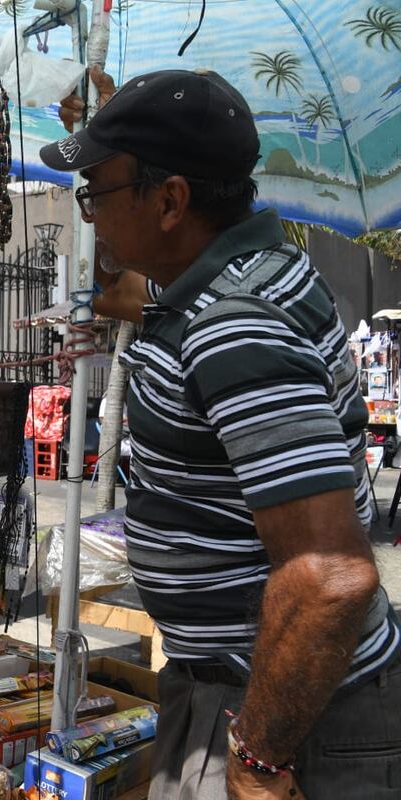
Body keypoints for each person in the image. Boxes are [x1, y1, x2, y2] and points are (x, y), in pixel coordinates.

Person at [45, 68, 399, 799]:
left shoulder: (236, 327)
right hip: (237, 690)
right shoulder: (226, 279)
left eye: (96, 195)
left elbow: (331, 575)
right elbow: (120, 289)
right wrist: (109, 144)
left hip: (290, 714)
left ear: (170, 200)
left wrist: (260, 758)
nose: (89, 215)